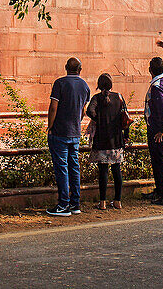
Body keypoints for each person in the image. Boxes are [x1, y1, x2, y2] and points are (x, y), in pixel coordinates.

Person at [46, 56, 91, 217]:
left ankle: (63, 204)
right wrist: (76, 124)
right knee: (74, 168)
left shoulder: (60, 83)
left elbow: (53, 107)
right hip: (75, 133)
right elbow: (83, 111)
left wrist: (50, 127)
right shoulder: (85, 86)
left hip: (60, 132)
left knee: (62, 168)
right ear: (80, 69)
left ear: (66, 67)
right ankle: (75, 203)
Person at [86, 72, 129, 210]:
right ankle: (118, 201)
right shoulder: (119, 97)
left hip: (101, 140)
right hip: (116, 140)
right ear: (111, 85)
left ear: (99, 85)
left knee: (103, 171)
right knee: (117, 171)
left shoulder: (97, 98)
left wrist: (98, 118)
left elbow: (89, 111)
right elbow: (125, 118)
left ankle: (103, 202)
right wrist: (126, 136)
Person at [144, 39, 163, 205]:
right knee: (157, 160)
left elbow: (162, 109)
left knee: (159, 161)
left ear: (150, 70)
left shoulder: (156, 86)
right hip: (160, 127)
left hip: (157, 130)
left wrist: (161, 130)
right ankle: (160, 190)